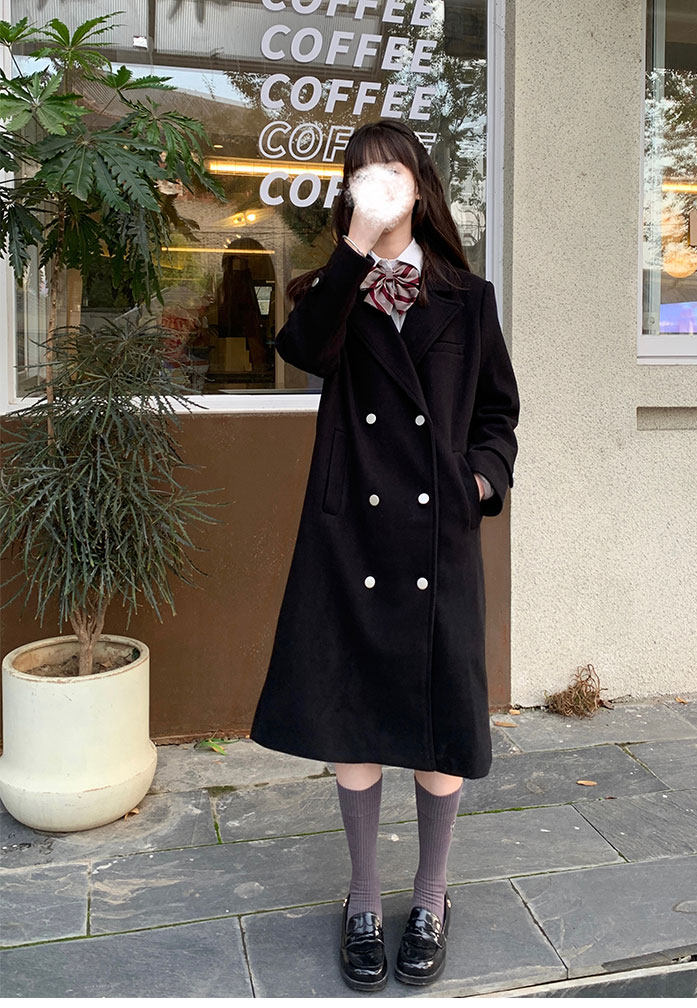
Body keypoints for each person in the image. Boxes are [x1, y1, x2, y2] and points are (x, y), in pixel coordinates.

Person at [249, 120, 520, 991]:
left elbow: (498, 415)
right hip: (352, 537)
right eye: (361, 175)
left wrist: (478, 481)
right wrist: (354, 252)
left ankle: (431, 896)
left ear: (420, 186)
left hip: (439, 538)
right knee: (354, 718)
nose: (378, 186)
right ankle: (363, 898)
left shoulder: (468, 298)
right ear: (350, 195)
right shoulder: (328, 291)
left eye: (392, 172)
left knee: (440, 728)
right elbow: (302, 353)